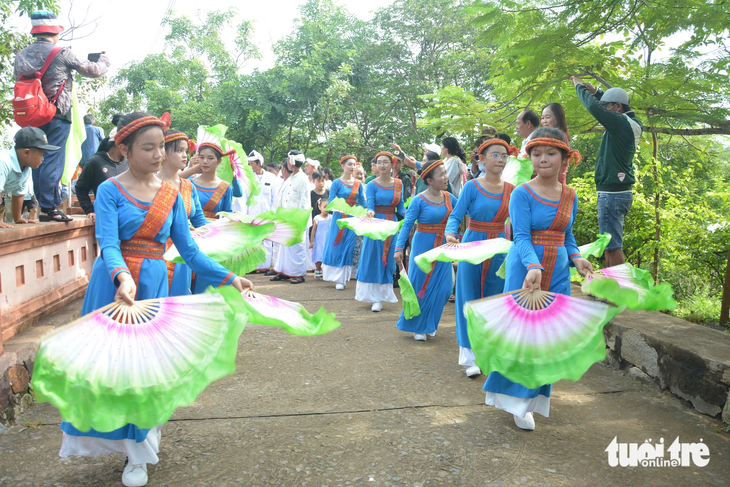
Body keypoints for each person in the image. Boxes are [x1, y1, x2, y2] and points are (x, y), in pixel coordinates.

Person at [59, 111, 252, 487]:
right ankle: (121, 441)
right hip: (114, 288)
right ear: (124, 150)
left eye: (161, 147)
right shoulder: (111, 191)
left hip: (155, 285)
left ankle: (139, 455)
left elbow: (190, 251)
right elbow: (109, 244)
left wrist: (230, 277)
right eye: (148, 147)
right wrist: (121, 277)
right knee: (114, 369)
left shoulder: (172, 193)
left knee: (147, 372)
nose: (158, 154)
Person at [482, 126, 593, 431]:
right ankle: (516, 401)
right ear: (529, 157)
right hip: (526, 271)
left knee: (548, 339)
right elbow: (520, 236)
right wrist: (533, 266)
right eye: (537, 153)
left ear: (564, 158)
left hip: (557, 272)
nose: (543, 159)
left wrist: (577, 259)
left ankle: (532, 400)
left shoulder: (570, 195)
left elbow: (567, 236)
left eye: (551, 153)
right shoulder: (522, 193)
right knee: (523, 337)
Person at [13, 10, 110, 223]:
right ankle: (49, 208)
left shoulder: (21, 56)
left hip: (30, 114)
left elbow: (17, 78)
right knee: (52, 158)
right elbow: (93, 70)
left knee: (37, 158)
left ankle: (43, 206)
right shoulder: (62, 52)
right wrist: (103, 59)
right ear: (54, 32)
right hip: (56, 113)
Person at [445, 139, 514, 377]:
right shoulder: (472, 187)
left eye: (504, 156)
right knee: (468, 297)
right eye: (495, 155)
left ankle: (490, 351)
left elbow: (519, 223)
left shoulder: (512, 190)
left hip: (498, 247)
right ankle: (469, 356)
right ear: (482, 159)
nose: (501, 160)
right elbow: (456, 215)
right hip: (472, 245)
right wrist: (450, 233)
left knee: (495, 300)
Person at [571, 76, 643, 267]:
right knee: (610, 244)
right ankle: (614, 286)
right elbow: (609, 104)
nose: (605, 112)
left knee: (612, 246)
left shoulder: (621, 123)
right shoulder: (631, 122)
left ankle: (617, 291)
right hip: (619, 192)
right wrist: (596, 91)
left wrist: (580, 88)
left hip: (612, 193)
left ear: (618, 107)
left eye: (608, 107)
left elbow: (594, 108)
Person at [394, 160, 457, 340]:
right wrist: (399, 248)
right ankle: (418, 326)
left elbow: (462, 211)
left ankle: (429, 323)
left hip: (443, 248)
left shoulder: (449, 198)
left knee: (445, 289)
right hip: (423, 247)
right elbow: (406, 225)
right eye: (441, 174)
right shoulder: (418, 200)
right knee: (421, 287)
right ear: (429, 180)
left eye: (445, 173)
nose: (446, 177)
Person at [158, 129, 208, 296]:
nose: (185, 155)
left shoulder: (188, 186)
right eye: (179, 150)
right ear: (163, 152)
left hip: (183, 252)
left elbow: (200, 220)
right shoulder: (152, 185)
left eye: (186, 151)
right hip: (159, 253)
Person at [356, 152, 405, 312]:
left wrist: (412, 216)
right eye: (379, 162)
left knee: (389, 262)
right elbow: (370, 205)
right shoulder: (371, 184)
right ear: (376, 165)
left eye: (385, 162)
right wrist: (370, 212)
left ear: (392, 164)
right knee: (373, 258)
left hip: (392, 226)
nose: (382, 165)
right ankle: (373, 298)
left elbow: (401, 208)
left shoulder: (399, 184)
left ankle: (383, 294)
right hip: (375, 225)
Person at [0, 126, 59, 229]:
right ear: (26, 152)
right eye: (41, 155)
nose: (42, 159)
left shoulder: (26, 169)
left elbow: (18, 194)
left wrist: (18, 218)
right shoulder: (4, 162)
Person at [322, 156, 365, 289]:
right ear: (342, 166)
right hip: (339, 217)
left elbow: (363, 202)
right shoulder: (336, 183)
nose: (352, 167)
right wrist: (340, 208)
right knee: (337, 245)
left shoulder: (358, 184)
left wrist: (368, 211)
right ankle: (337, 278)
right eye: (349, 164)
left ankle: (343, 278)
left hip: (353, 217)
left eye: (354, 165)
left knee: (349, 246)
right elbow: (330, 201)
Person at [234, 150, 280, 272]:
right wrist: (243, 216)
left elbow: (275, 198)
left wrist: (272, 215)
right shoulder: (247, 178)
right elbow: (243, 198)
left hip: (266, 215)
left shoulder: (271, 178)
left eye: (251, 164)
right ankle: (253, 266)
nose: (249, 166)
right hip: (251, 215)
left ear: (259, 163)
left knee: (266, 240)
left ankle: (265, 266)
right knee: (252, 242)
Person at [271, 150, 310, 284]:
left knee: (297, 247)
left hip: (297, 219)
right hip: (286, 218)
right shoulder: (292, 177)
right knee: (284, 247)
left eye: (288, 160)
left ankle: (298, 274)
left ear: (292, 162)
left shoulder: (303, 179)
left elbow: (304, 202)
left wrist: (299, 219)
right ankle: (284, 272)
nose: (287, 163)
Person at [75, 131, 128, 221]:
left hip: (126, 217)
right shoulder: (95, 162)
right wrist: (89, 210)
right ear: (118, 144)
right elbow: (81, 188)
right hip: (106, 217)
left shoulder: (129, 163)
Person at [189, 143, 243, 221]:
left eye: (210, 158)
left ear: (219, 161)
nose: (205, 161)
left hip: (214, 231)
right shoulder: (189, 184)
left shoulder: (225, 187)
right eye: (201, 157)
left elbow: (227, 214)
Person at [266, 160, 292, 276]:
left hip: (284, 216)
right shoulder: (280, 181)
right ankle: (277, 267)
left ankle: (281, 269)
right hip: (276, 214)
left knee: (281, 243)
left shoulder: (290, 181)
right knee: (276, 243)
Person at [541, 103, 571, 184]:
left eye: (547, 117)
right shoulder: (545, 137)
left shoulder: (559, 136)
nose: (544, 121)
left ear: (558, 118)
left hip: (554, 183)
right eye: (542, 118)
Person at [310, 199, 331, 279]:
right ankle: (318, 269)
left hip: (327, 240)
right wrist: (311, 241)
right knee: (318, 255)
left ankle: (326, 271)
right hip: (319, 240)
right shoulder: (317, 218)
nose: (327, 209)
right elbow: (313, 230)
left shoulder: (331, 217)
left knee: (326, 254)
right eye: (324, 207)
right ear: (319, 207)